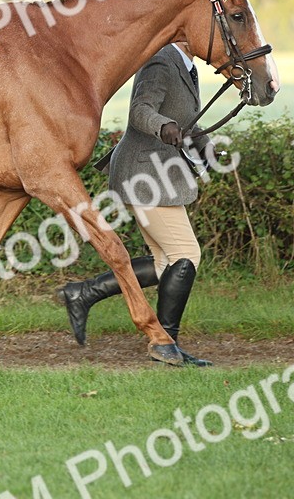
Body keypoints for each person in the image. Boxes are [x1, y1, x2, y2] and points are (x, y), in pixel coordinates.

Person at [56, 41, 215, 367]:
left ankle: (83, 293)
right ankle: (165, 342)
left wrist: (203, 143)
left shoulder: (186, 64)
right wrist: (163, 126)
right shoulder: (161, 59)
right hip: (144, 172)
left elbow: (183, 117)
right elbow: (141, 110)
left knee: (163, 263)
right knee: (186, 254)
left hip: (158, 175)